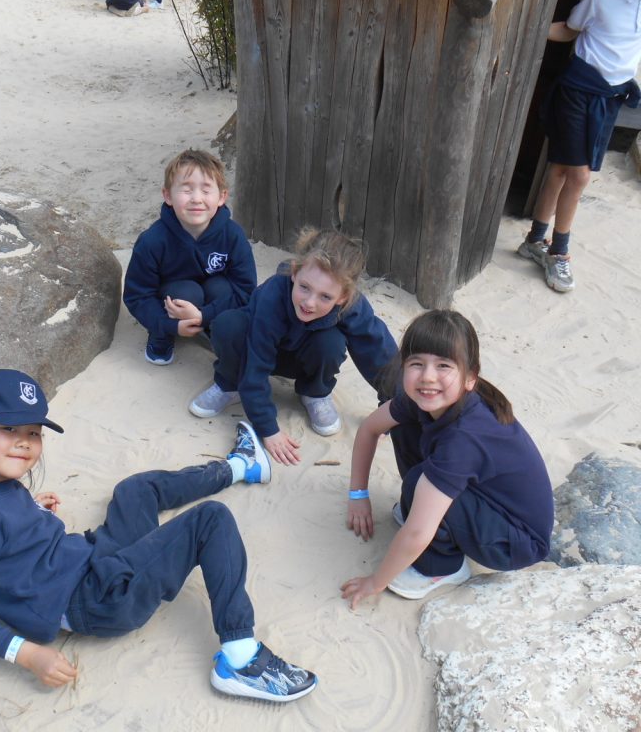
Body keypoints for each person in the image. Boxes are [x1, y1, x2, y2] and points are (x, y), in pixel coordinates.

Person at [0, 369, 317, 702]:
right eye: (8, 429)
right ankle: (241, 658)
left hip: (93, 557)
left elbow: (0, 524)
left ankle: (239, 467)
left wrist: (31, 510)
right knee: (210, 521)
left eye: (34, 433)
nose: (25, 442)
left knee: (135, 490)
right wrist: (29, 654)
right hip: (96, 599)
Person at [341, 310, 553, 606]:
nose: (428, 377)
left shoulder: (465, 439)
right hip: (485, 497)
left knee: (421, 484)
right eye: (417, 364)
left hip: (516, 539)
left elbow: (416, 532)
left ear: (470, 378)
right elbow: (369, 429)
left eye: (443, 366)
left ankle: (442, 568)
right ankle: (435, 515)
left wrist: (375, 582)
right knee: (404, 430)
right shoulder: (424, 397)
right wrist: (358, 494)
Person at [189, 229, 398, 466]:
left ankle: (314, 392)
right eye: (305, 287)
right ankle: (229, 383)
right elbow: (256, 361)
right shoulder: (272, 295)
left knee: (331, 342)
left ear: (343, 297)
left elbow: (380, 354)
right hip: (256, 351)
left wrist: (392, 406)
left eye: (325, 297)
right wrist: (268, 429)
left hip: (304, 358)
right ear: (295, 272)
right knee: (228, 326)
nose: (309, 302)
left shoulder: (353, 306)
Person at [517, 0, 641, 293]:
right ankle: (558, 251)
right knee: (580, 175)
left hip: (610, 99)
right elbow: (570, 29)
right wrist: (526, 27)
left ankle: (534, 240)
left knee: (560, 169)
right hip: (578, 91)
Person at [123, 149, 257, 366]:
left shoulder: (233, 236)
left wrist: (204, 316)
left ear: (222, 197)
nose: (196, 199)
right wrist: (168, 325)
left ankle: (216, 329)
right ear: (167, 196)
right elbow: (137, 295)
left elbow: (246, 290)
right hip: (173, 297)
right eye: (186, 190)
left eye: (206, 190)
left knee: (221, 287)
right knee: (186, 291)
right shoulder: (152, 241)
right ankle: (162, 335)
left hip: (211, 299)